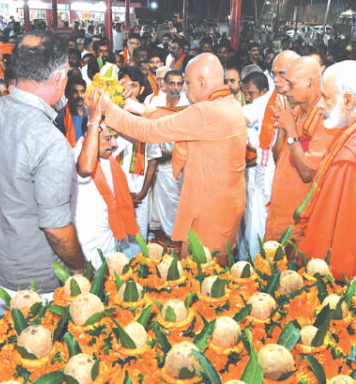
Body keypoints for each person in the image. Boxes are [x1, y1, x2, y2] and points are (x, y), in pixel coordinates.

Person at [87, 53, 247, 262]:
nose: (184, 89)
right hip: (225, 205)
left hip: (210, 211)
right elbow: (179, 119)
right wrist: (141, 109)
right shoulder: (228, 104)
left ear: (201, 81)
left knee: (203, 273)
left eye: (187, 83)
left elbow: (151, 131)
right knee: (215, 265)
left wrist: (111, 110)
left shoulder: (207, 111)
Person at [0, 31, 86, 316]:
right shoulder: (49, 140)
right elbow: (56, 230)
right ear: (59, 79)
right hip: (37, 280)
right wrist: (79, 266)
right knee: (38, 353)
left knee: (7, 350)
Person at [295, 61, 356, 278]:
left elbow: (336, 227)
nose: (320, 105)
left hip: (336, 267)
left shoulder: (352, 156)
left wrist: (319, 272)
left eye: (326, 97)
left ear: (348, 100)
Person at [265, 56, 336, 245]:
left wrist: (291, 130)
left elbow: (307, 172)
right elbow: (278, 156)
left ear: (311, 83)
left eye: (291, 84)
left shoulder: (326, 118)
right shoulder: (296, 111)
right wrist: (283, 123)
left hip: (298, 220)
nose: (285, 89)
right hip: (279, 211)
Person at [73, 117, 137, 269]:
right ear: (90, 137)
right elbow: (83, 168)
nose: (114, 144)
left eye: (114, 137)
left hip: (111, 239)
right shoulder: (75, 157)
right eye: (108, 138)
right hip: (87, 247)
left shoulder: (106, 156)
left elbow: (135, 130)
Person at [113, 66, 161, 254]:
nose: (128, 90)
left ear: (141, 90)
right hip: (118, 188)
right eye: (123, 84)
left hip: (141, 189)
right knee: (119, 236)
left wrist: (141, 193)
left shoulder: (149, 119)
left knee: (139, 237)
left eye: (133, 86)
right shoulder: (111, 116)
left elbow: (153, 161)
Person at [146, 70, 189, 245]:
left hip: (179, 164)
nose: (175, 88)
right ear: (164, 83)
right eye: (172, 83)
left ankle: (175, 238)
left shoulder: (187, 106)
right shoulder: (155, 104)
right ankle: (160, 237)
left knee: (175, 202)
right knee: (157, 201)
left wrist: (171, 154)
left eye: (179, 84)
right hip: (156, 162)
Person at [238, 71, 273, 257]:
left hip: (259, 172)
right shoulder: (252, 105)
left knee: (255, 221)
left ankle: (252, 260)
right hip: (245, 170)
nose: (248, 97)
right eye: (246, 94)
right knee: (245, 219)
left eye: (252, 93)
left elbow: (239, 118)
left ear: (264, 91)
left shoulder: (265, 103)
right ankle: (243, 257)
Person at [55, 77, 88, 148]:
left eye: (82, 91)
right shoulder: (61, 118)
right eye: (75, 92)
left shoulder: (90, 113)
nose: (79, 95)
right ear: (67, 94)